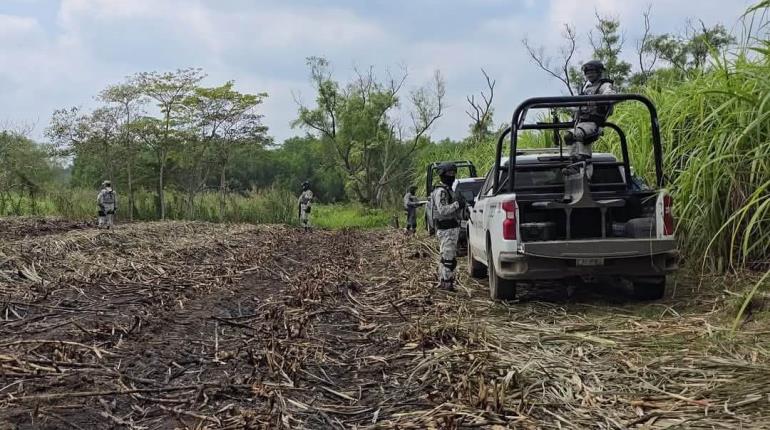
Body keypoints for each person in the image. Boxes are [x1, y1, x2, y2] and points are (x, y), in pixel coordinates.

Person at [563, 60, 615, 159]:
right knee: (572, 142)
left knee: (570, 135)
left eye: (592, 71)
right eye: (587, 72)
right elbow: (577, 107)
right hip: (581, 122)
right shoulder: (587, 89)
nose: (589, 74)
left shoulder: (604, 86)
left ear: (599, 72)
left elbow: (611, 96)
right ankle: (577, 163)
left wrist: (597, 100)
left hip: (593, 122)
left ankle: (581, 164)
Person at [429, 163, 466, 291]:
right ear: (443, 175)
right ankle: (446, 283)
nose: (452, 176)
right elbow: (443, 210)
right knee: (448, 259)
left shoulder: (447, 190)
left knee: (448, 258)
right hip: (446, 229)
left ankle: (445, 281)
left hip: (450, 228)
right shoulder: (441, 191)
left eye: (453, 173)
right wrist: (457, 204)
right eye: (449, 174)